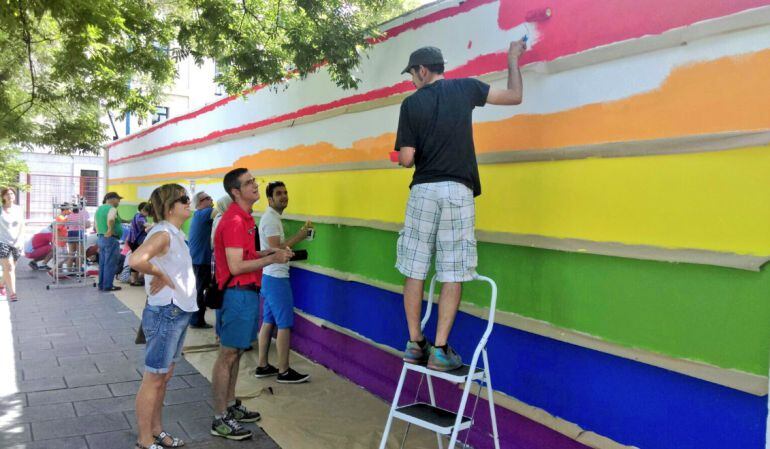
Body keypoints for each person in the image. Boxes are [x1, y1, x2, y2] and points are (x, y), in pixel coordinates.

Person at [394, 40, 526, 371]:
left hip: (423, 190)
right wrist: (512, 58)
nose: (412, 80)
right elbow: (514, 96)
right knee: (453, 268)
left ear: (422, 70)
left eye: (412, 73)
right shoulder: (466, 88)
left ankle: (414, 343)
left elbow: (407, 158)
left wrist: (399, 157)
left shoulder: (410, 105)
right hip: (457, 189)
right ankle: (439, 350)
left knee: (414, 267)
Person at [210, 168, 292, 441]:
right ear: (235, 191)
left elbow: (244, 256)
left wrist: (265, 252)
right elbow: (235, 266)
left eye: (254, 181)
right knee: (228, 355)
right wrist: (271, 260)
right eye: (249, 183)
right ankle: (220, 417)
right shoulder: (235, 220)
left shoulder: (244, 218)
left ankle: (231, 406)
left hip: (244, 293)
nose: (256, 186)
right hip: (237, 294)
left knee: (235, 353)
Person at [129, 184, 197, 449]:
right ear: (170, 207)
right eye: (184, 199)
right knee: (154, 377)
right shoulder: (164, 233)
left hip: (177, 311)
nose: (188, 202)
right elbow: (136, 260)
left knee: (164, 376)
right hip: (166, 312)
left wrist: (161, 272)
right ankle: (145, 439)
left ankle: (156, 430)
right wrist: (160, 275)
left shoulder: (175, 234)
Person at [255, 181, 312, 383]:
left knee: (268, 322)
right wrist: (300, 236)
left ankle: (263, 365)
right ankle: (284, 371)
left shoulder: (272, 218)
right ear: (270, 199)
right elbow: (275, 248)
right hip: (276, 278)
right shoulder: (271, 220)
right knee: (285, 324)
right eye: (279, 193)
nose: (284, 196)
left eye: (286, 192)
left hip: (270, 277)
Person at [188, 191, 216, 328]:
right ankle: (196, 320)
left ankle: (195, 318)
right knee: (200, 290)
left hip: (197, 258)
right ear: (200, 202)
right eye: (208, 198)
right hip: (201, 260)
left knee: (199, 289)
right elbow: (223, 209)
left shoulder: (199, 215)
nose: (212, 200)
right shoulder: (205, 213)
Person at [95, 192, 124, 291]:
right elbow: (111, 219)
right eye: (118, 199)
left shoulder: (99, 209)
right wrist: (110, 230)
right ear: (112, 199)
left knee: (103, 263)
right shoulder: (112, 209)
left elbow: (96, 225)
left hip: (101, 238)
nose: (119, 202)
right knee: (110, 263)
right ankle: (108, 286)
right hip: (110, 238)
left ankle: (102, 285)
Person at [0, 188, 24, 301]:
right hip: (2, 242)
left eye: (12, 193)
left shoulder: (19, 209)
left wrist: (20, 240)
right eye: (7, 194)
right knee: (9, 267)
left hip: (16, 242)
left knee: (11, 268)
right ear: (3, 197)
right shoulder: (0, 210)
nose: (10, 196)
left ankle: (1, 285)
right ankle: (13, 293)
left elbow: (22, 226)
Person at [127, 202, 152, 286]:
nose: (148, 213)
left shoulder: (141, 216)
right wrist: (154, 225)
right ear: (142, 210)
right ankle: (133, 280)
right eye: (147, 211)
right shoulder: (139, 216)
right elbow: (144, 224)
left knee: (137, 259)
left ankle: (135, 278)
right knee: (136, 259)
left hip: (134, 240)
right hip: (134, 241)